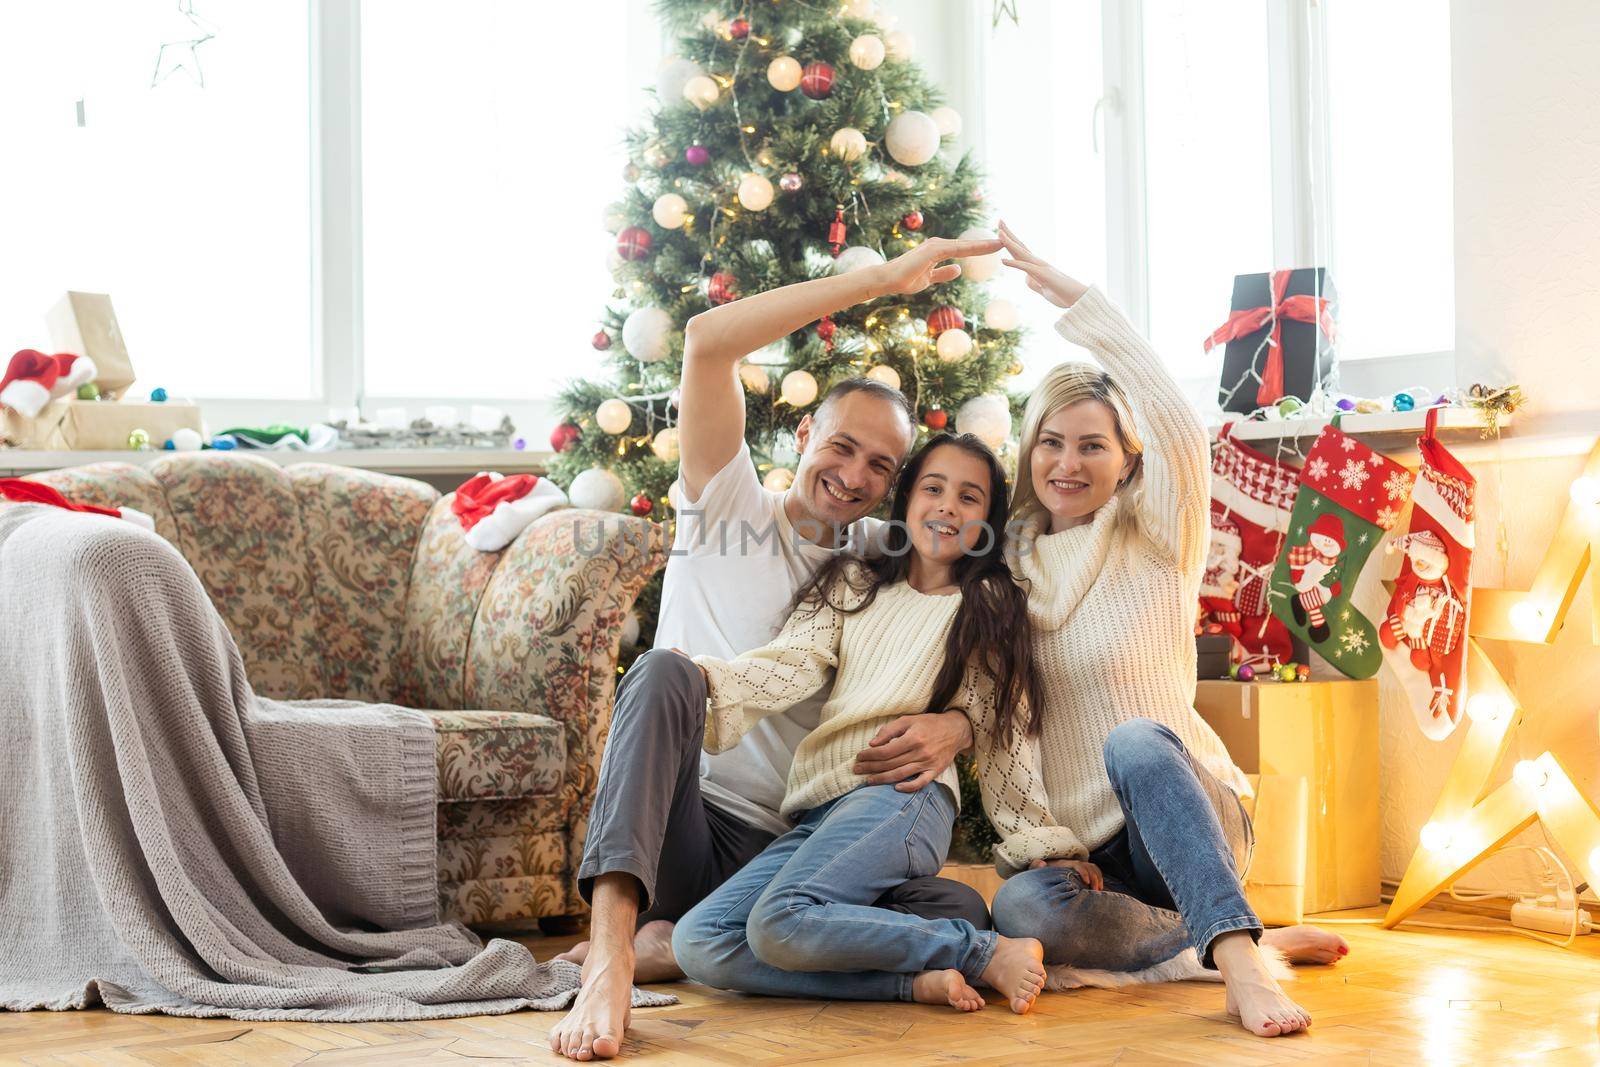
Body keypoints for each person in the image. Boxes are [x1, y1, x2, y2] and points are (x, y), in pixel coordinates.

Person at [550, 236, 1005, 1061]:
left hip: (790, 847)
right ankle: (616, 956)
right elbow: (705, 339)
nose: (854, 474)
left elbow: (998, 611)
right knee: (661, 673)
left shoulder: (882, 557)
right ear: (802, 432)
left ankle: (679, 941)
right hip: (681, 830)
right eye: (841, 445)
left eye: (881, 464)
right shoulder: (725, 504)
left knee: (961, 912)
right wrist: (876, 281)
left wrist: (962, 727)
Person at [987, 222, 1348, 1040]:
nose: (1068, 463)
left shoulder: (1155, 537)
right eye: (1051, 442)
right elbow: (1001, 728)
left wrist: (1082, 304)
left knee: (1137, 741)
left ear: (1127, 458)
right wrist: (1043, 842)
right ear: (1028, 452)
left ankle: (1242, 965)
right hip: (1097, 864)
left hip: (1190, 815)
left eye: (1092, 444)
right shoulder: (1004, 575)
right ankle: (1223, 936)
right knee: (1018, 906)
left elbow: (1185, 430)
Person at [672, 433, 1078, 1015]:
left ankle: (980, 950)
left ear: (987, 521)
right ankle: (914, 981)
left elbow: (999, 725)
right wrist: (709, 681)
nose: (946, 507)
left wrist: (1039, 838)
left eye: (969, 498)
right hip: (821, 806)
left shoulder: (987, 601)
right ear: (908, 498)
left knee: (780, 920)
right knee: (701, 942)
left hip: (904, 796)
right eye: (933, 488)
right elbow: (793, 663)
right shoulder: (854, 583)